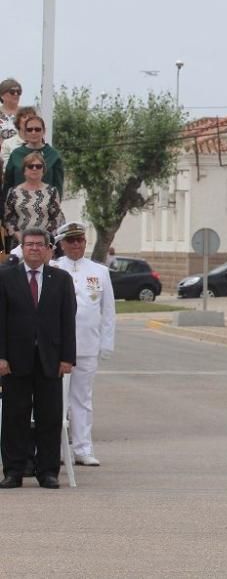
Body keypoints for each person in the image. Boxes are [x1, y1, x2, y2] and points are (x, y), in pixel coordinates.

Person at [0, 227, 77, 489]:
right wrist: (1, 356)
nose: (34, 248)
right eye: (29, 244)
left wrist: (67, 357)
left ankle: (48, 472)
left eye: (38, 245)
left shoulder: (61, 279)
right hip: (14, 360)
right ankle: (13, 471)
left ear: (47, 249)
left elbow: (68, 321)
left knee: (50, 416)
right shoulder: (5, 277)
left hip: (51, 360)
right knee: (14, 417)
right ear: (22, 248)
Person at [54, 221, 116, 466]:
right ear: (61, 244)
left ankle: (82, 448)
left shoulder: (99, 272)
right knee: (57, 401)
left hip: (87, 345)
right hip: (58, 348)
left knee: (82, 399)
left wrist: (107, 344)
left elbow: (108, 311)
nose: (76, 245)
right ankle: (57, 450)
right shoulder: (54, 268)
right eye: (71, 240)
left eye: (80, 240)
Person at [4, 151, 65, 245]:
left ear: (43, 170)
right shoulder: (13, 192)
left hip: (45, 243)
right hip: (20, 243)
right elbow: (8, 219)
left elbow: (56, 219)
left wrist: (44, 238)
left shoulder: (52, 191)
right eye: (30, 166)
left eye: (38, 166)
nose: (34, 168)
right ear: (24, 170)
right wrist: (19, 236)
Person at [3, 114, 64, 199]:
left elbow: (58, 188)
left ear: (44, 131)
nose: (33, 132)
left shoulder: (53, 155)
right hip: (17, 207)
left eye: (37, 129)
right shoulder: (16, 154)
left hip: (45, 208)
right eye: (29, 129)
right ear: (25, 132)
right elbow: (7, 185)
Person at [0, 106, 37, 173]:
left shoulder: (40, 143)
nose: (27, 120)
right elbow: (6, 170)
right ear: (18, 121)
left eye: (31, 118)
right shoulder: (7, 144)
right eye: (24, 117)